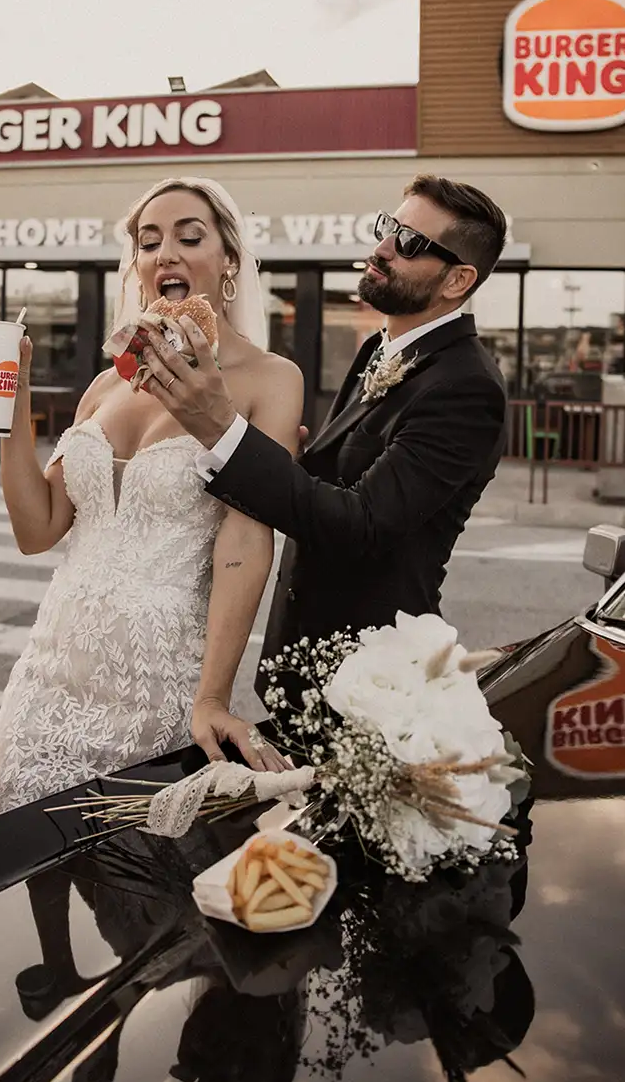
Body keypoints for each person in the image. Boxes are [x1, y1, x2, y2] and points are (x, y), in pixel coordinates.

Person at [0, 177, 301, 822]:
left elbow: (246, 540)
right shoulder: (104, 384)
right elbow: (38, 528)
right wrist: (17, 394)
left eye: (188, 236)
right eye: (149, 242)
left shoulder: (270, 380)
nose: (165, 253)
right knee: (8, 876)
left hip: (158, 680)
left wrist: (213, 695)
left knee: (138, 898)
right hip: (49, 671)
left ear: (230, 260)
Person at [142, 174, 509, 709]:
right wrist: (288, 456)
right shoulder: (376, 351)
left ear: (458, 281)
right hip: (304, 674)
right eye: (389, 227)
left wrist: (224, 430)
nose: (382, 248)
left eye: (409, 243)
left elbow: (360, 525)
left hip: (374, 683)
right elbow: (327, 480)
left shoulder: (466, 386)